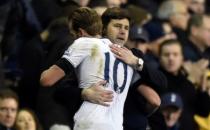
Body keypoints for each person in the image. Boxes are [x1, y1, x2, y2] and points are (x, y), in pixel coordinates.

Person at [40, 7, 143, 130]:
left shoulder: (83, 43)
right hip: (116, 126)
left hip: (89, 123)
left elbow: (46, 80)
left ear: (81, 33)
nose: (73, 38)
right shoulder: (128, 56)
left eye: (72, 34)